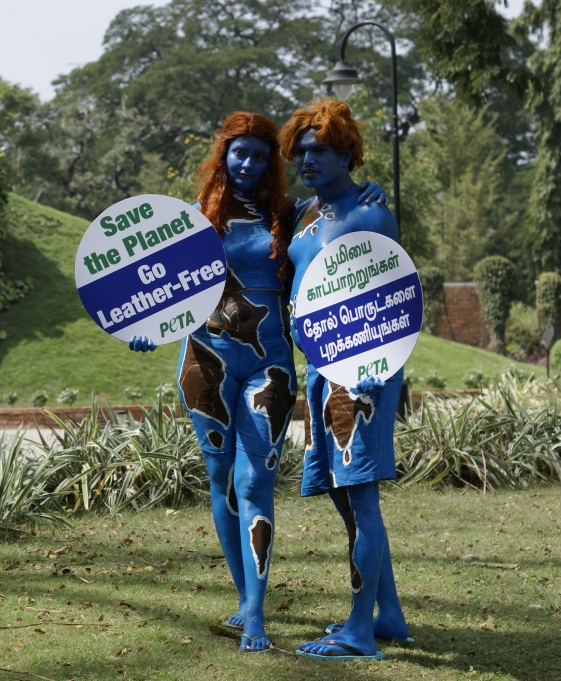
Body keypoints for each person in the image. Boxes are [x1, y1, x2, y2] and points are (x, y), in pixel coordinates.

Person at [128, 111, 386, 652]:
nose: (247, 163)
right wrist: (142, 326)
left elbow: (342, 221)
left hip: (269, 366)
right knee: (222, 482)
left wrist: (372, 192)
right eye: (237, 152)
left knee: (255, 484)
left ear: (272, 162)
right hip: (203, 361)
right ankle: (247, 603)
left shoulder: (289, 214)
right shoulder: (193, 219)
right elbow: (154, 290)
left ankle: (256, 618)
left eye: (259, 155)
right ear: (222, 154)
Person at [278, 98, 409, 662]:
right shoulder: (307, 216)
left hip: (361, 375)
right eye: (301, 150)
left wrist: (371, 378)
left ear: (346, 151)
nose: (308, 159)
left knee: (361, 497)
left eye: (321, 150)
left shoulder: (371, 214)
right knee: (341, 492)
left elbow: (394, 298)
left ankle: (359, 629)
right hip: (320, 369)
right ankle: (389, 615)